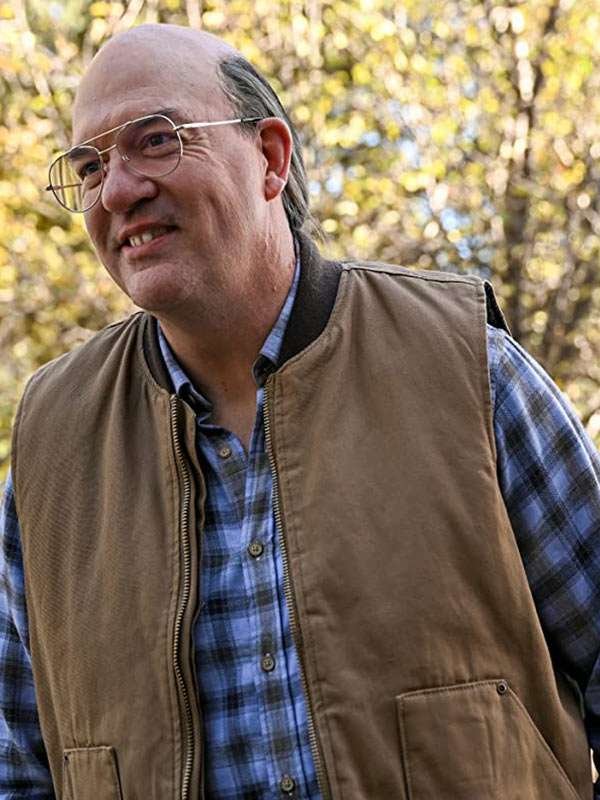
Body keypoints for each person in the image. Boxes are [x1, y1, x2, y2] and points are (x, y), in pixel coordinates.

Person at [1, 21, 599, 800]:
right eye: (90, 166)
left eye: (156, 141)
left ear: (271, 158)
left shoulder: (467, 370)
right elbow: (15, 763)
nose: (116, 191)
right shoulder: (51, 454)